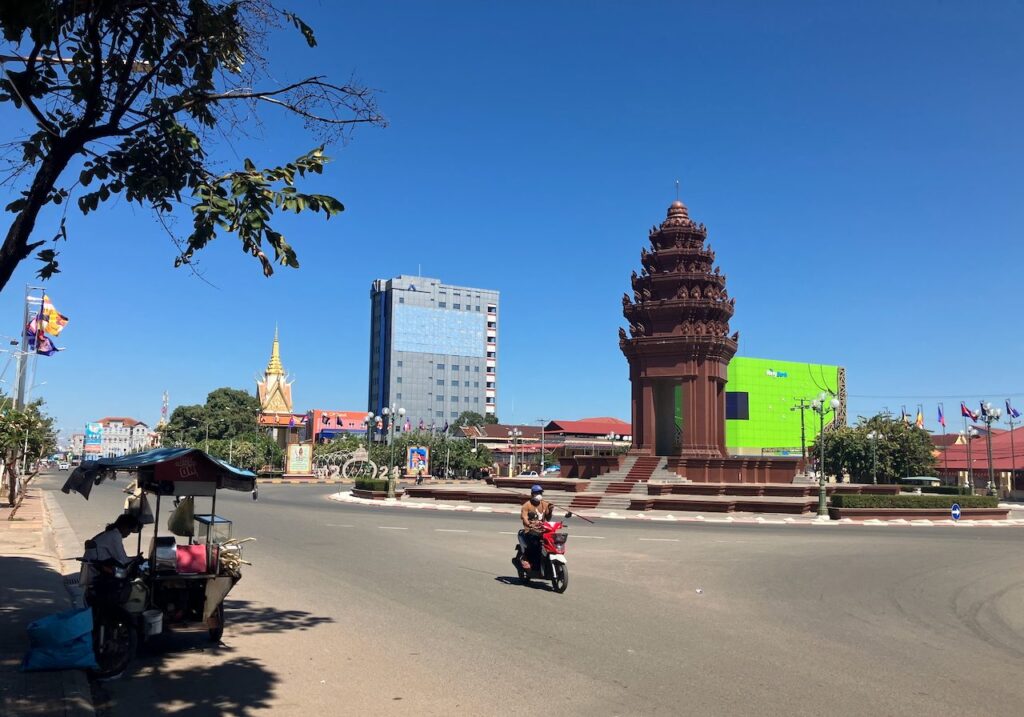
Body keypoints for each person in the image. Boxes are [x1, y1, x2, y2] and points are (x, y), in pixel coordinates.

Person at [519, 485, 553, 570]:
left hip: (542, 530)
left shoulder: (545, 504)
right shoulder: (526, 505)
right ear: (532, 494)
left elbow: (548, 518)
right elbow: (524, 517)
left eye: (540, 493)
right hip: (530, 531)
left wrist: (551, 510)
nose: (539, 495)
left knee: (552, 542)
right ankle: (526, 559)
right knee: (535, 544)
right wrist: (529, 524)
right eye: (537, 493)